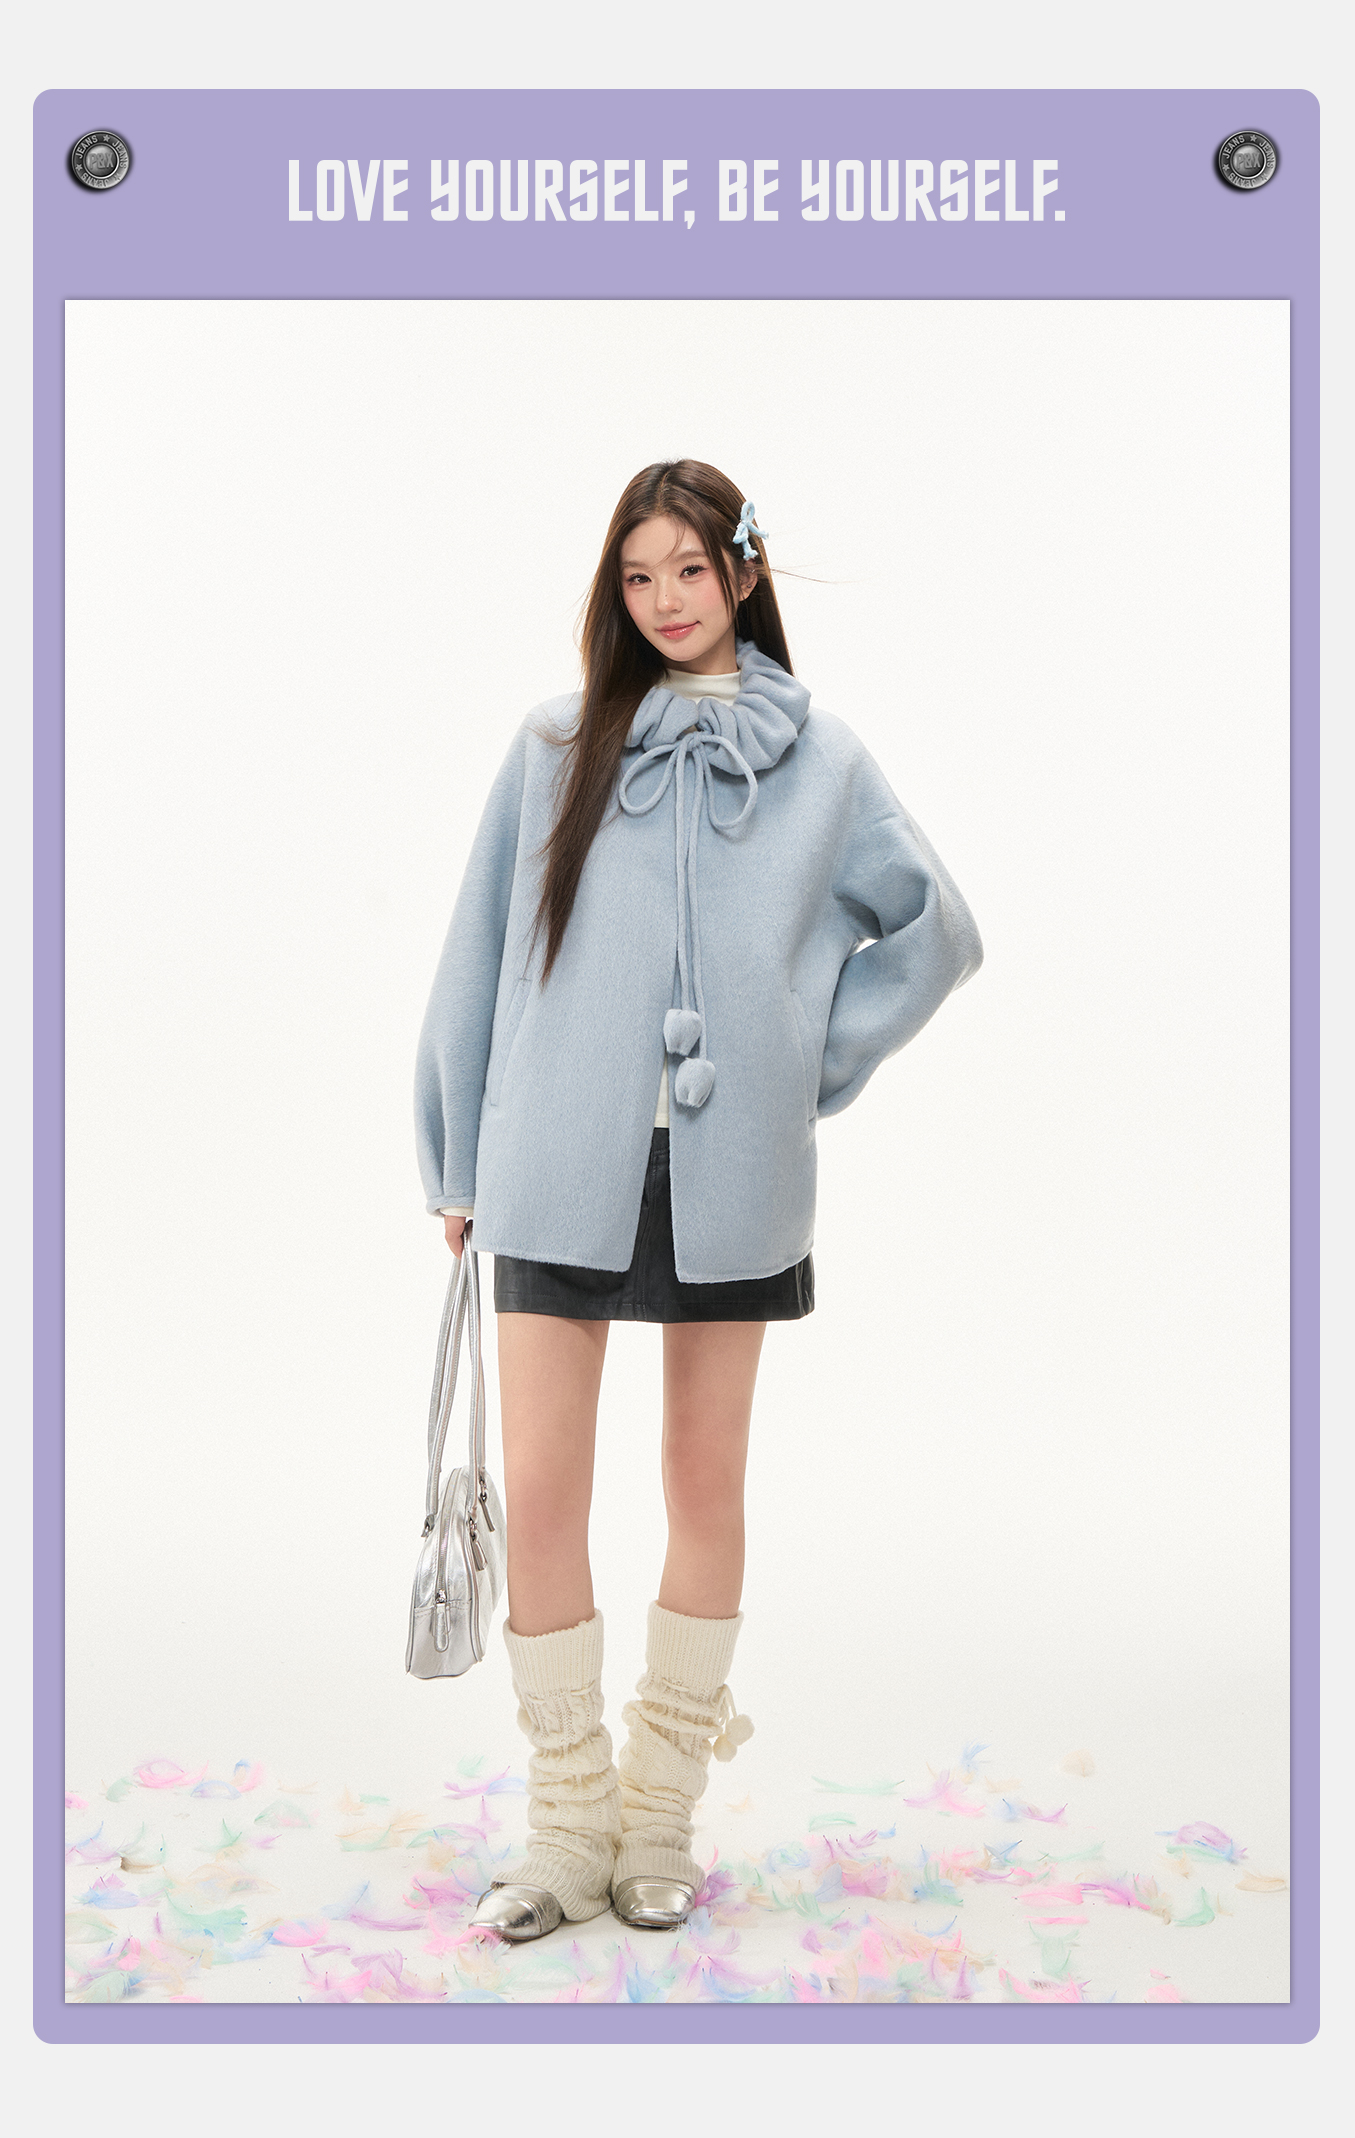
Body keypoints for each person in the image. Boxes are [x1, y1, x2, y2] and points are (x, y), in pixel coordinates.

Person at [414, 458, 982, 1943]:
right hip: (556, 1159)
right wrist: (457, 1157)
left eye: (688, 569)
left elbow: (937, 930)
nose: (664, 599)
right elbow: (478, 950)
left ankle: (659, 1815)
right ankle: (566, 1823)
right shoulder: (554, 745)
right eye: (637, 574)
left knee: (701, 1478)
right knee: (545, 1486)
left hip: (731, 1174)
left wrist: (804, 1062)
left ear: (743, 572)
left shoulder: (822, 760)